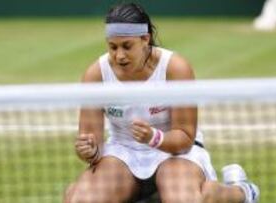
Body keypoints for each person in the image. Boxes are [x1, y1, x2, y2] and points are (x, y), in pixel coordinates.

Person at [64, 2, 260, 203]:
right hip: (122, 153)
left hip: (175, 152)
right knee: (80, 200)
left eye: (126, 46)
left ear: (145, 39)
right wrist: (89, 150)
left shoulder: (175, 68)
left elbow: (184, 137)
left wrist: (153, 137)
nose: (119, 55)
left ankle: (241, 191)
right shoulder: (96, 74)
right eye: (113, 47)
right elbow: (92, 143)